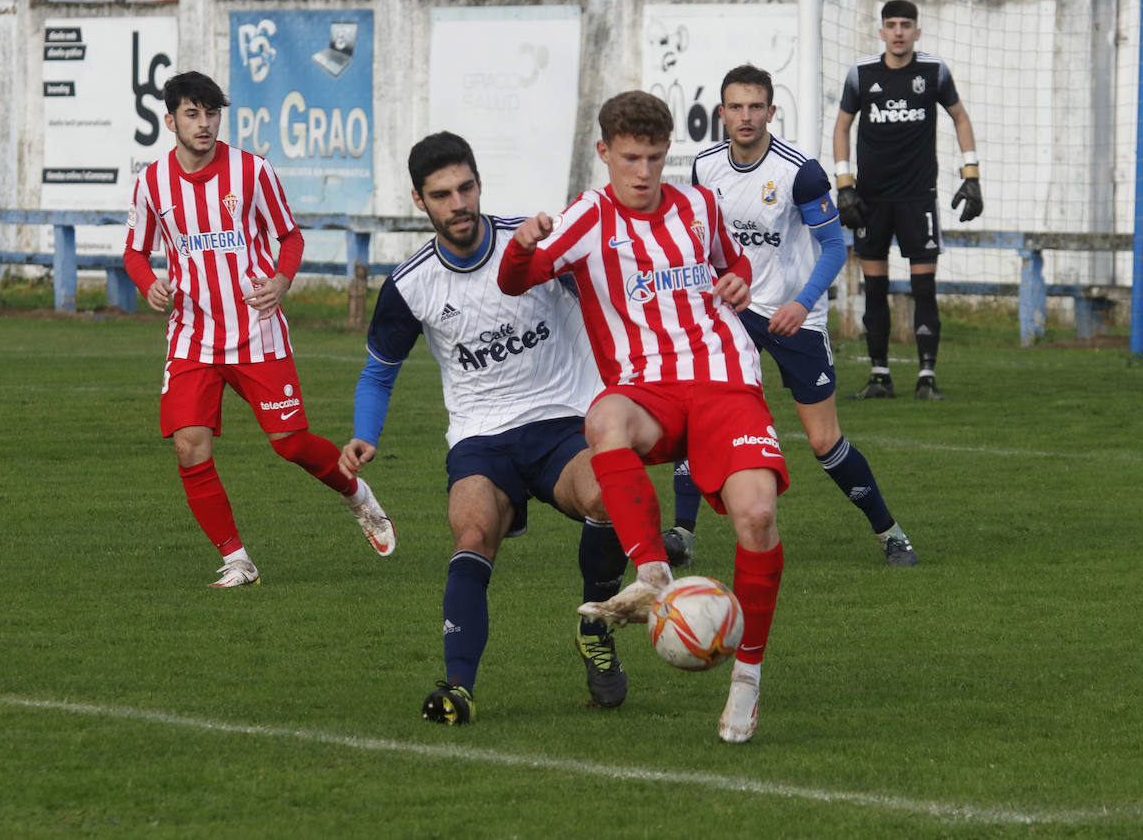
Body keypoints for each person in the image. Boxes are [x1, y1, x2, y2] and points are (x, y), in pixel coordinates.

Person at [498, 90, 789, 744]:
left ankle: (746, 678)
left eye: (656, 157)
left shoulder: (697, 205)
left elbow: (730, 262)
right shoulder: (585, 219)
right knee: (604, 419)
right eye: (630, 157)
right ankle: (654, 571)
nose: (644, 171)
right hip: (646, 387)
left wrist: (740, 279)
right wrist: (520, 248)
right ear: (604, 153)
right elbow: (517, 281)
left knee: (758, 517)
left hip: (725, 382)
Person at [339, 131, 631, 725]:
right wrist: (365, 432)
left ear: (479, 182)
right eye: (442, 194)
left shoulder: (536, 244)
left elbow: (614, 288)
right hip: (480, 439)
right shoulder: (410, 283)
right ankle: (458, 689)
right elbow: (378, 372)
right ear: (420, 202)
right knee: (471, 534)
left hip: (561, 423)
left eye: (466, 187)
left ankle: (596, 624)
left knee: (609, 497)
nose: (458, 203)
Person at [122, 71, 395, 588]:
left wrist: (281, 279)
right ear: (170, 120)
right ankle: (237, 560)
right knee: (188, 446)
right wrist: (148, 284)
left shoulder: (251, 171)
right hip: (192, 335)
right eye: (192, 114)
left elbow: (289, 236)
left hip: (256, 329)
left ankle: (359, 498)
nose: (204, 124)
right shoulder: (151, 183)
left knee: (289, 444)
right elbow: (135, 251)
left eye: (211, 113)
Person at [666, 64, 917, 568]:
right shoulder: (705, 167)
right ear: (721, 113)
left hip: (794, 314)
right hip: (733, 313)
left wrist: (800, 303)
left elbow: (832, 246)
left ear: (771, 112)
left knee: (824, 441)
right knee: (699, 415)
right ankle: (681, 533)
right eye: (736, 107)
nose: (746, 116)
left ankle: (890, 533)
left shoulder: (799, 172)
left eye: (756, 106)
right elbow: (703, 240)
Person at [833, 0, 983, 401]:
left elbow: (960, 117)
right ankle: (879, 376)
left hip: (918, 197)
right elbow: (842, 125)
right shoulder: (861, 74)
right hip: (872, 199)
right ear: (881, 31)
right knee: (875, 288)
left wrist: (971, 173)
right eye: (891, 25)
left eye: (906, 25)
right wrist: (844, 182)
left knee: (923, 288)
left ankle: (926, 378)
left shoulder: (933, 72)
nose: (898, 32)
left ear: (917, 31)